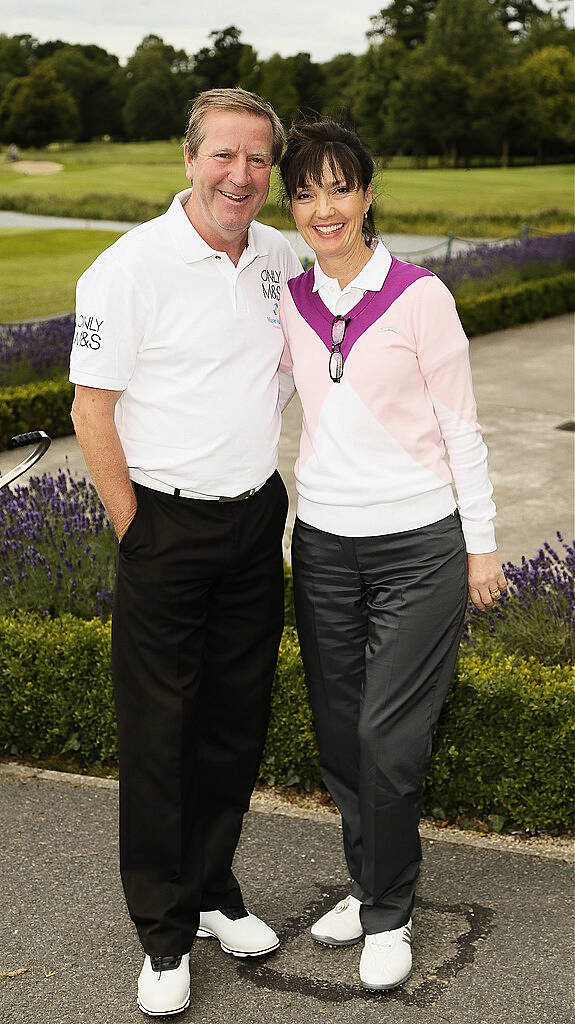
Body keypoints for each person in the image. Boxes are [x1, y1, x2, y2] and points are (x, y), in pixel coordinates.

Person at [69, 88, 301, 1018]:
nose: (241, 176)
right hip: (164, 527)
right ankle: (163, 934)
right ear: (189, 158)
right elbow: (91, 408)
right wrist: (139, 530)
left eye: (257, 160)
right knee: (161, 737)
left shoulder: (278, 253)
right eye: (223, 156)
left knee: (235, 720)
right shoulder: (126, 270)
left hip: (254, 521)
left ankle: (212, 891)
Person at [278, 121, 507, 992]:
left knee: (386, 734)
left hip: (419, 545)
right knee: (341, 737)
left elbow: (461, 428)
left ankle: (389, 912)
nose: (323, 207)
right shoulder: (290, 301)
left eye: (339, 188)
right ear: (292, 206)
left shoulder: (421, 297)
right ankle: (369, 881)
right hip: (326, 545)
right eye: (305, 192)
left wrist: (479, 546)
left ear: (368, 194)